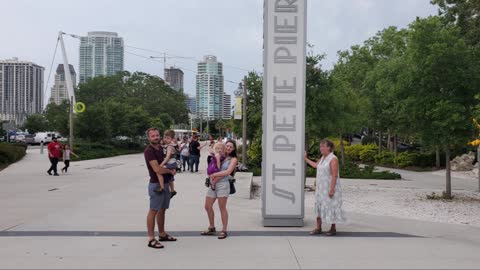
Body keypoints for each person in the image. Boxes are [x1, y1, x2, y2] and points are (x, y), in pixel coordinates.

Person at [144, 128, 178, 249]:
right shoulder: (149, 151)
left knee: (162, 209)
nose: (156, 137)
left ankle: (162, 234)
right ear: (149, 138)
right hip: (156, 185)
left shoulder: (162, 148)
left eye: (157, 135)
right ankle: (151, 239)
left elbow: (171, 158)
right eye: (153, 136)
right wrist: (170, 171)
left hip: (166, 183)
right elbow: (157, 169)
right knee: (153, 210)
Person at [304, 139, 346, 236]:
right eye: (320, 146)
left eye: (323, 146)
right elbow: (315, 165)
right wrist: (305, 158)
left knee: (331, 206)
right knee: (319, 206)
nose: (321, 148)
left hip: (329, 188)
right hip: (320, 188)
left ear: (329, 148)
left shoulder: (333, 159)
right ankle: (318, 228)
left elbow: (334, 175)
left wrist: (332, 190)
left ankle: (333, 228)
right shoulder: (323, 157)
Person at [201, 139, 238, 240]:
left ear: (234, 149)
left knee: (222, 207)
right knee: (207, 206)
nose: (228, 148)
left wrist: (214, 175)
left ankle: (224, 230)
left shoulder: (233, 159)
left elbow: (228, 172)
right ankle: (212, 227)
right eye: (227, 146)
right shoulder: (220, 155)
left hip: (223, 184)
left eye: (231, 147)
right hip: (213, 184)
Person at [158, 129, 178, 198]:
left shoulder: (170, 146)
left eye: (168, 138)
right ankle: (172, 191)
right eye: (165, 137)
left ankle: (162, 187)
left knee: (158, 171)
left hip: (171, 164)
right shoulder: (167, 146)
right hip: (171, 164)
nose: (165, 139)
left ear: (172, 139)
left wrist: (161, 165)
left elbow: (167, 157)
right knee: (170, 178)